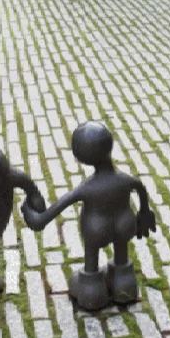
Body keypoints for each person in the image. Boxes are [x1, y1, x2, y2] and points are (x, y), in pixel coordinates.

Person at [21, 121, 156, 310]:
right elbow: (141, 189)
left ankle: (92, 290)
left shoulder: (87, 188)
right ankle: (124, 285)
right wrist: (143, 213)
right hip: (125, 223)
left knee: (91, 256)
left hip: (96, 228)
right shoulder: (126, 180)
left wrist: (31, 214)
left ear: (81, 157)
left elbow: (46, 216)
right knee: (121, 253)